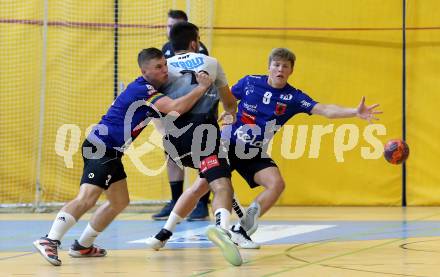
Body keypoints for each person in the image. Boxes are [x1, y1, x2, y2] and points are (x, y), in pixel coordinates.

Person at [146, 47, 382, 250]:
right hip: (228, 145)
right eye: (276, 65)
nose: (280, 69)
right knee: (200, 187)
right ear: (269, 67)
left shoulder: (293, 97)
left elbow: (325, 110)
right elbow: (224, 99)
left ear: (291, 71)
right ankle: (165, 232)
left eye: (285, 66)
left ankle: (241, 230)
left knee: (276, 183)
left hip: (253, 152)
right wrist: (223, 117)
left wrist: (355, 112)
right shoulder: (250, 82)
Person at [32, 47, 213, 266]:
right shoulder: (144, 90)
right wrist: (202, 87)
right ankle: (50, 239)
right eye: (158, 67)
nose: (165, 70)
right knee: (87, 197)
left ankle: (83, 245)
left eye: (165, 65)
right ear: (144, 70)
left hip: (112, 151)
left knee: (119, 201)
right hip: (101, 146)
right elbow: (177, 108)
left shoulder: (150, 88)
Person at [147, 22, 242, 266]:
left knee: (202, 183)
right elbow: (229, 103)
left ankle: (164, 233)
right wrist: (230, 115)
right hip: (203, 133)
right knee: (221, 185)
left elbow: (152, 105)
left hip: (174, 141)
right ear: (194, 43)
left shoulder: (163, 68)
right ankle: (221, 228)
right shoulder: (211, 62)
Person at [153, 9, 211, 221]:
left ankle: (202, 204)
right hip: (174, 110)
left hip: (198, 109)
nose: (170, 31)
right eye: (168, 26)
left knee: (203, 156)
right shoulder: (166, 48)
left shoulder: (199, 51)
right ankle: (176, 201)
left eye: (174, 27)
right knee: (172, 154)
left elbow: (202, 84)